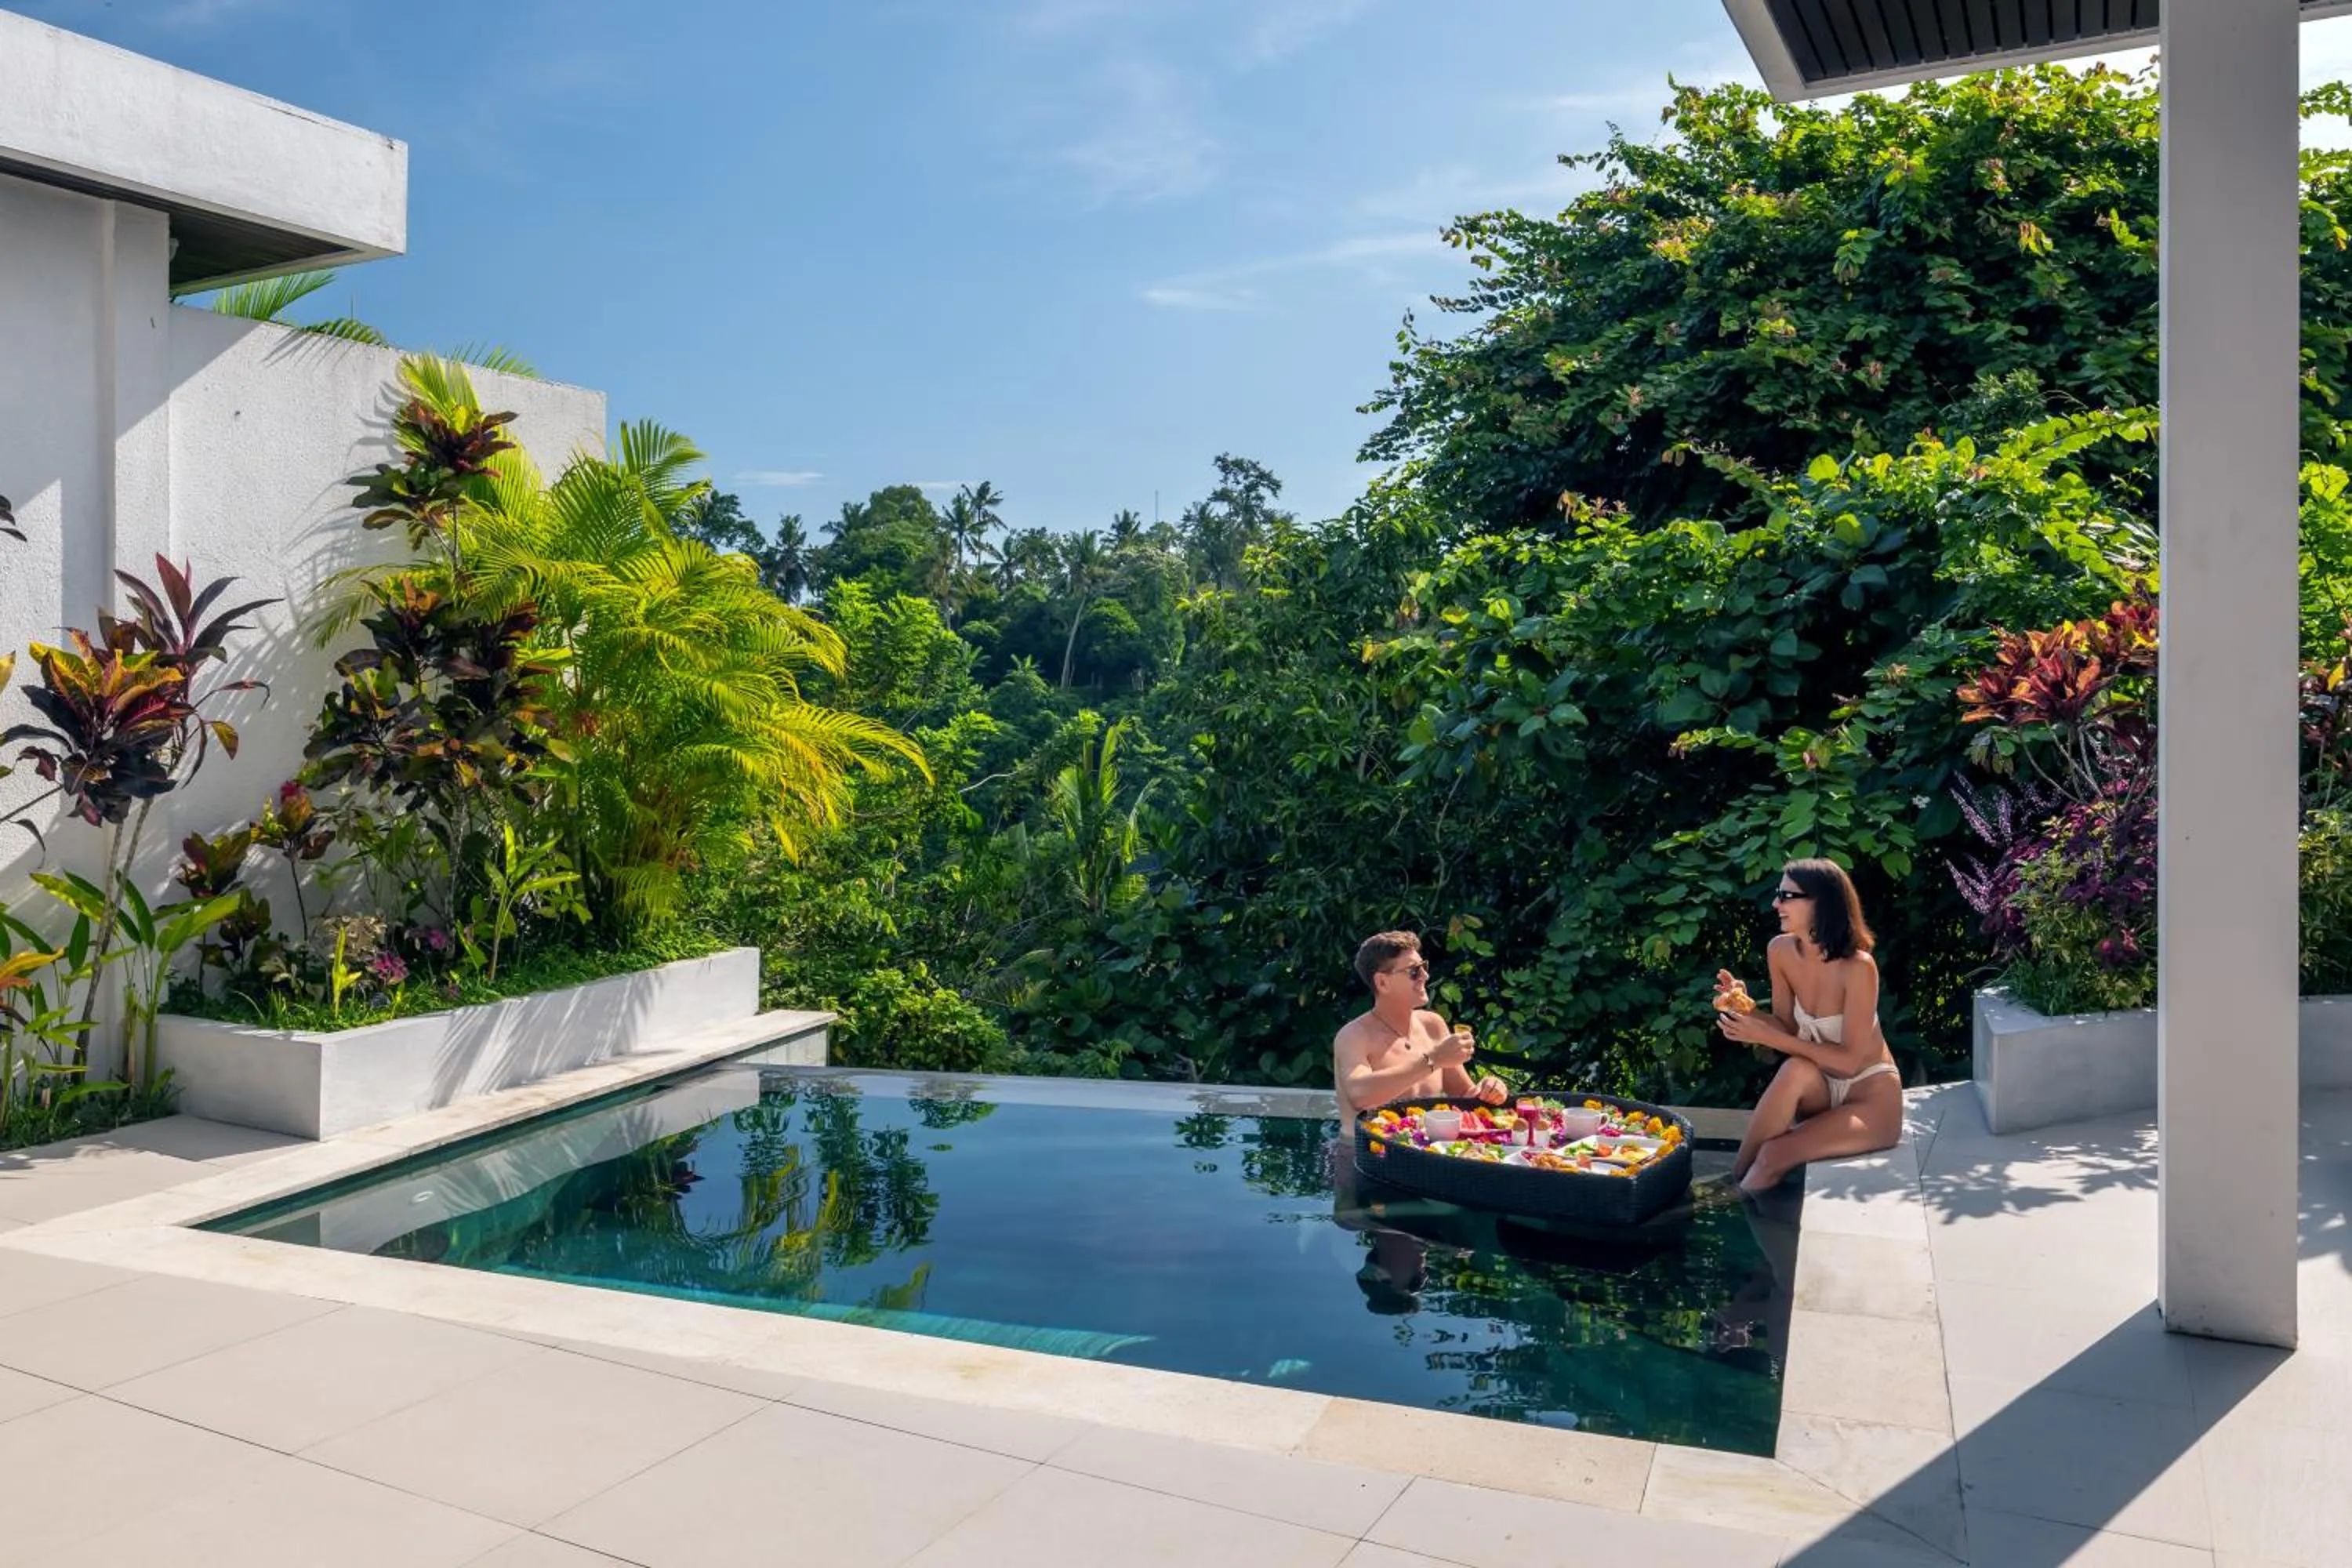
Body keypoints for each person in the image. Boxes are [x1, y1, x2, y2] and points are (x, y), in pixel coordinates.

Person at [1715, 858, 1903, 1193]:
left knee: (1774, 1155)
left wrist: (1767, 1036)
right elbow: (1786, 1027)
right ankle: (1729, 1186)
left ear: (1820, 902)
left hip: (1870, 1100)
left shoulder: (1858, 968)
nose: (1776, 903)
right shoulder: (1781, 951)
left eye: (1787, 896)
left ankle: (1731, 1203)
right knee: (1795, 1069)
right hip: (1821, 1089)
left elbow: (1848, 1061)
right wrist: (1747, 1009)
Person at [1333, 930, 1508, 1117]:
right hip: (1361, 1146)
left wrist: (1491, 1090)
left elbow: (1465, 1097)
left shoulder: (1432, 1025)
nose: (1425, 976)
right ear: (1382, 982)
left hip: (1420, 1145)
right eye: (1414, 971)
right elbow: (1359, 1095)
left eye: (1424, 966)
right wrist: (1433, 1060)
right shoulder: (1354, 1035)